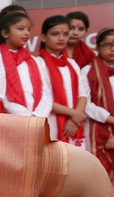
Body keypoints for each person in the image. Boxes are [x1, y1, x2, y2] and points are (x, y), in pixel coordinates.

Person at [38, 15, 88, 146]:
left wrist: (74, 119)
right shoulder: (38, 63)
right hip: (52, 122)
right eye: (55, 34)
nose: (61, 38)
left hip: (74, 126)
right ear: (43, 37)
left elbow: (83, 94)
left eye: (65, 34)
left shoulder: (72, 64)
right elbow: (44, 99)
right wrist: (75, 115)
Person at [0, 11, 52, 117]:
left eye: (28, 29)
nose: (27, 33)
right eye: (21, 29)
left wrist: (37, 116)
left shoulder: (34, 61)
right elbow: (2, 94)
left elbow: (46, 93)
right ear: (5, 33)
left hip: (37, 119)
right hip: (10, 120)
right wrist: (25, 116)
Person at [87, 27, 114, 183]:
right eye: (107, 45)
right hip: (96, 128)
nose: (112, 49)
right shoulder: (88, 71)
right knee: (101, 177)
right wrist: (109, 119)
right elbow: (86, 104)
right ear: (97, 47)